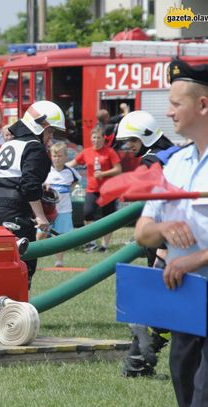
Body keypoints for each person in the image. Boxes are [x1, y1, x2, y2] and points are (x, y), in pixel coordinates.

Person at [134, 58, 208, 407]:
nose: (169, 112)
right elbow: (142, 233)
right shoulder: (173, 163)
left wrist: (195, 259)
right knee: (183, 376)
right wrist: (163, 227)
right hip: (186, 299)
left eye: (176, 103)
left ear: (203, 105)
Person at [115, 110, 176, 378]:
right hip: (172, 236)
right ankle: (138, 359)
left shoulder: (154, 161)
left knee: (166, 296)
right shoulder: (173, 153)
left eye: (132, 140)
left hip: (165, 236)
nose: (129, 147)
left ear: (145, 135)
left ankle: (138, 358)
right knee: (170, 296)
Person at [0, 101, 66, 288]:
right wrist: (40, 217)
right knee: (22, 266)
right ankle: (15, 313)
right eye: (50, 131)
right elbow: (29, 185)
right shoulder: (34, 148)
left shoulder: (7, 145)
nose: (51, 137)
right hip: (15, 211)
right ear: (40, 127)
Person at [67, 127, 122, 252]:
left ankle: (104, 246)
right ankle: (91, 243)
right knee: (87, 213)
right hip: (92, 189)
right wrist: (58, 167)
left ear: (103, 138)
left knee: (108, 217)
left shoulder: (109, 152)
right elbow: (72, 164)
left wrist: (103, 174)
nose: (96, 140)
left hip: (108, 190)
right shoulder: (86, 152)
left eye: (98, 137)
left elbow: (118, 170)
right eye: (94, 137)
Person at [36, 142, 81, 268]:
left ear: (66, 157)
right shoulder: (46, 171)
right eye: (54, 156)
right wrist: (45, 187)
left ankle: (59, 261)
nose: (57, 158)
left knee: (61, 236)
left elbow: (77, 180)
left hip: (64, 210)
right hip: (48, 210)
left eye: (60, 156)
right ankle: (34, 256)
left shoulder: (70, 172)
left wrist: (69, 190)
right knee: (41, 233)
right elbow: (38, 184)